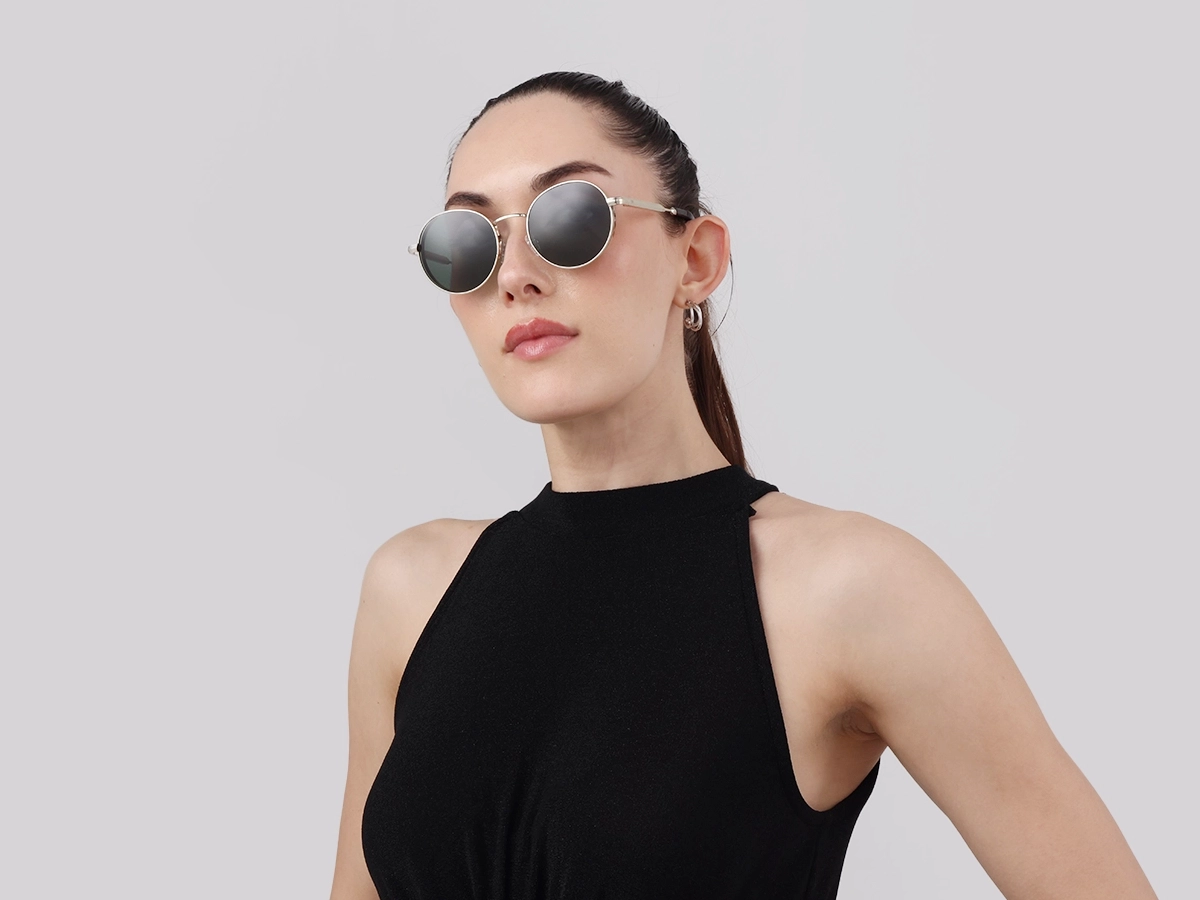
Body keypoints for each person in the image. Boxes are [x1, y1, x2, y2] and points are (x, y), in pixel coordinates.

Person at [329, 72, 1157, 900]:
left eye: (571, 219)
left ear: (695, 260)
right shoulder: (413, 589)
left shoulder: (850, 587)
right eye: (469, 243)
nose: (515, 276)